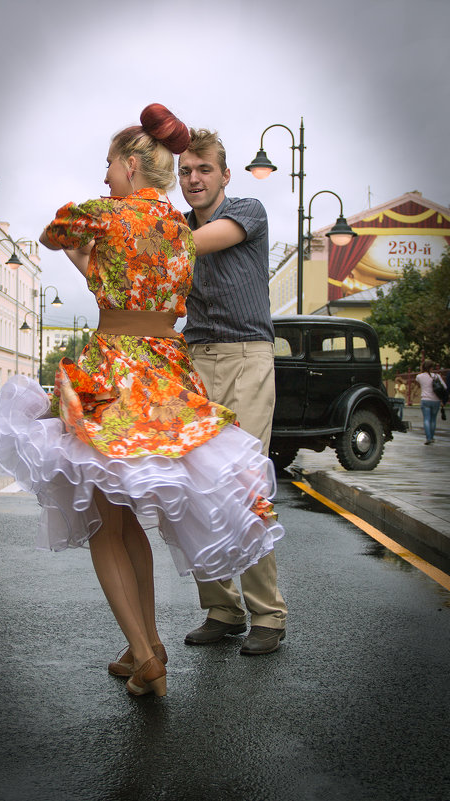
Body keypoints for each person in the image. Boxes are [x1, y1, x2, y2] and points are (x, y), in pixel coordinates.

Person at [0, 105, 284, 698]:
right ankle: (150, 644)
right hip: (169, 372)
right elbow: (136, 271)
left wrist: (94, 248)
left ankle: (146, 655)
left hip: (114, 370)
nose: (105, 176)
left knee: (105, 521)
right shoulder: (176, 229)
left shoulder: (104, 216)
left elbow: (53, 232)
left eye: (110, 164)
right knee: (128, 515)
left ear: (134, 164)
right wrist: (105, 264)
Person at [178, 128, 288, 656]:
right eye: (184, 171)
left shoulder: (248, 210)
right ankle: (223, 609)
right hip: (196, 359)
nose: (193, 178)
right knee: (195, 488)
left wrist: (140, 240)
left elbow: (201, 242)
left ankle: (268, 615)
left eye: (203, 170)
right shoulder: (174, 227)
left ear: (223, 174)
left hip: (248, 356)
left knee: (243, 483)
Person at [415, 359, 447, 444]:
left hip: (425, 400)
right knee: (433, 420)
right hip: (436, 400)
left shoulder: (419, 376)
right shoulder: (437, 376)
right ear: (432, 367)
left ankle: (428, 438)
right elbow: (445, 387)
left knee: (426, 419)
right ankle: (432, 437)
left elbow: (418, 383)